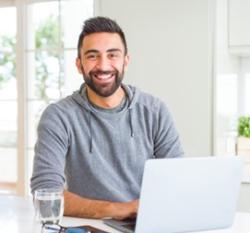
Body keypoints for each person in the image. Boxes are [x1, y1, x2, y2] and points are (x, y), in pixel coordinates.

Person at [30, 16, 184, 220]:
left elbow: (178, 180)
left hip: (146, 225)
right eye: (93, 56)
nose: (103, 65)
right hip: (89, 229)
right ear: (79, 64)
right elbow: (46, 195)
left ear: (125, 61)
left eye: (113, 55)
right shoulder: (59, 116)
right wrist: (119, 209)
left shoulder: (154, 111)